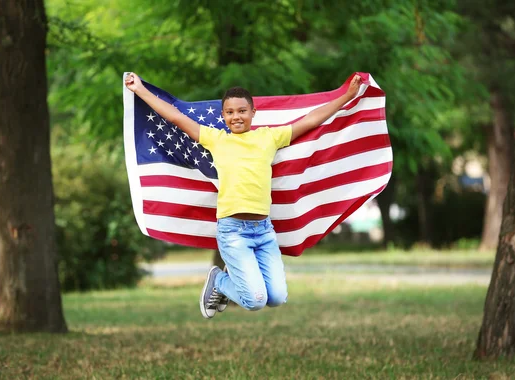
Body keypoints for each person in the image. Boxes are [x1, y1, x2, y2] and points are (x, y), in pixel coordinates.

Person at [124, 72, 362, 319]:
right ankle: (219, 281)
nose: (236, 116)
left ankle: (225, 279)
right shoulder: (216, 139)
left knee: (278, 297)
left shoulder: (269, 137)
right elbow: (174, 116)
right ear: (223, 116)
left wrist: (346, 96)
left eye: (241, 111)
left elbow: (311, 120)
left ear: (253, 112)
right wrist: (139, 89)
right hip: (233, 231)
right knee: (255, 301)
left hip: (264, 230)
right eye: (229, 112)